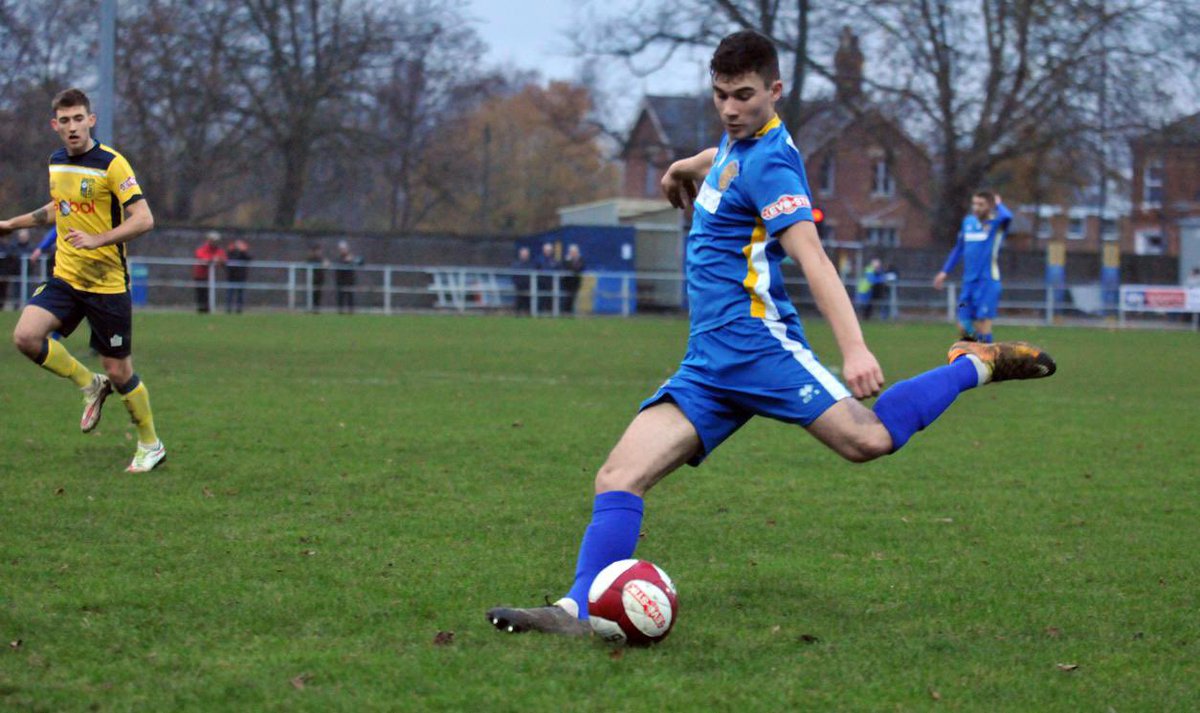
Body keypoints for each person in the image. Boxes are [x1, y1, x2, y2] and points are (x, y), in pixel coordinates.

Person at [485, 31, 1056, 637]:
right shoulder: (736, 146)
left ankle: (974, 364)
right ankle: (576, 611)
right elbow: (726, 161)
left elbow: (813, 258)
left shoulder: (775, 162)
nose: (731, 108)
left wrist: (855, 347)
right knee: (618, 477)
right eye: (720, 95)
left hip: (762, 347)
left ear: (775, 91)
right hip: (709, 362)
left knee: (869, 442)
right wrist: (686, 163)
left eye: (745, 96)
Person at [0, 88, 165, 473]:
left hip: (107, 284)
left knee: (119, 370)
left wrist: (98, 239)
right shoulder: (57, 162)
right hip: (67, 277)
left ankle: (150, 444)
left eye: (79, 119)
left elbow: (144, 219)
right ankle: (88, 384)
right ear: (54, 125)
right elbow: (60, 208)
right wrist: (13, 224)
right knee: (26, 336)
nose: (72, 127)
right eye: (65, 121)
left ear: (90, 120)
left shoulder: (112, 164)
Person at [933, 191, 1012, 343]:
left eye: (981, 204)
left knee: (983, 326)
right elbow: (958, 248)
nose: (976, 207)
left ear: (990, 206)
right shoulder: (968, 222)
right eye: (974, 203)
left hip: (988, 282)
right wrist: (945, 271)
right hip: (968, 283)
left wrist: (999, 204)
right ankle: (979, 355)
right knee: (963, 325)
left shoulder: (996, 224)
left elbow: (1008, 216)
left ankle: (986, 362)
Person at [192, 231, 226, 313]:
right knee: (201, 294)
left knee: (209, 293)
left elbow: (223, 259)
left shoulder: (219, 250)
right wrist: (213, 259)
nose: (214, 242)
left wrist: (218, 260)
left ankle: (208, 310)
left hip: (211, 277)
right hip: (200, 276)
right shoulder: (202, 249)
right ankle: (201, 310)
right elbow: (202, 258)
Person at [334, 240, 362, 314]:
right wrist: (345, 261)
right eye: (341, 249)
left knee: (350, 297)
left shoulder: (352, 257)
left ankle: (351, 312)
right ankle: (340, 313)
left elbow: (361, 262)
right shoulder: (338, 258)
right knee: (341, 298)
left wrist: (353, 260)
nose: (343, 250)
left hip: (350, 281)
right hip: (341, 281)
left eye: (344, 248)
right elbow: (338, 265)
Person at [225, 239, 251, 314]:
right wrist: (230, 250)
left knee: (240, 294)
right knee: (230, 293)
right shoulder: (231, 252)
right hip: (232, 276)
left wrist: (243, 251)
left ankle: (239, 309)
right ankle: (228, 309)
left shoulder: (243, 253)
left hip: (241, 277)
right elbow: (228, 259)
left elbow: (249, 258)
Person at [534, 241, 560, 315]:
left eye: (549, 250)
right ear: (544, 250)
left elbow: (558, 269)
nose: (548, 252)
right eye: (547, 250)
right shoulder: (539, 259)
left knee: (551, 299)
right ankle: (539, 314)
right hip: (542, 283)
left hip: (552, 283)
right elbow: (536, 270)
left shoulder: (555, 260)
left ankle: (551, 314)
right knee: (541, 298)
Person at [562, 244, 585, 315]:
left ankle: (571, 312)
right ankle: (566, 312)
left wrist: (574, 270)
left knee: (574, 297)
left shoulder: (580, 259)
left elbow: (580, 268)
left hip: (576, 282)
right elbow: (566, 268)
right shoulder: (566, 259)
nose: (573, 253)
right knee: (567, 297)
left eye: (574, 252)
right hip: (567, 282)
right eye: (572, 252)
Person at [305, 244, 329, 313]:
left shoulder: (321, 259)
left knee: (318, 295)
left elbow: (325, 267)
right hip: (311, 280)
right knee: (311, 295)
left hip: (319, 280)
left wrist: (326, 264)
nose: (319, 252)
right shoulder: (311, 259)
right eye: (318, 251)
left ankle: (316, 310)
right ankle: (310, 308)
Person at [511, 246, 533, 315]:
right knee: (518, 302)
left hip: (528, 287)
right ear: (520, 255)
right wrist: (516, 283)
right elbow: (513, 276)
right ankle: (517, 315)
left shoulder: (531, 265)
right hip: (519, 287)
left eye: (526, 254)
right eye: (523, 254)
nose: (525, 256)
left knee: (528, 303)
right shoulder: (516, 264)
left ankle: (528, 315)